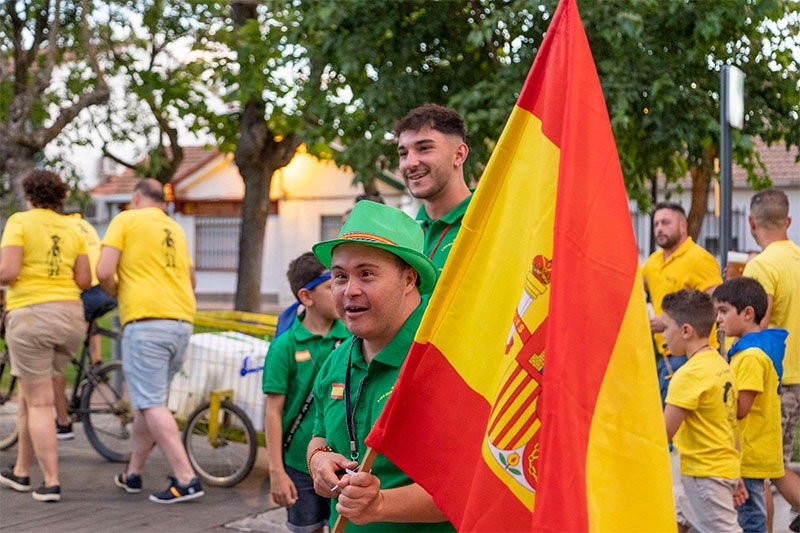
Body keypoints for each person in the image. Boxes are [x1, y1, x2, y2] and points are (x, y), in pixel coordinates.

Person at [306, 200, 452, 532]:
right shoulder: (336, 360)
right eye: (340, 276)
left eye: (366, 274)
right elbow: (319, 437)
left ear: (408, 279)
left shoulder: (447, 361)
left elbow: (469, 486)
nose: (349, 290)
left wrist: (381, 505)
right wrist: (318, 461)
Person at [96, 178, 202, 504]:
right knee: (148, 401)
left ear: (136, 197)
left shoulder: (126, 219)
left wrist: (114, 291)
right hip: (181, 321)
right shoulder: (176, 229)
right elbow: (191, 279)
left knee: (152, 404)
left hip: (146, 321)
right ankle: (134, 473)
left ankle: (186, 478)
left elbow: (103, 270)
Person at [0, 170, 91, 502]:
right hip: (70, 319)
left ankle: (51, 481)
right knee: (30, 396)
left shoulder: (20, 223)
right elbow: (84, 279)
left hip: (32, 316)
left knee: (39, 402)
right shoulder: (74, 228)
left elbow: (8, 271)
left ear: (29, 195)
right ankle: (22, 472)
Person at [263, 252, 350, 533]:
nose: (343, 291)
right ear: (306, 296)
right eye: (333, 284)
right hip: (299, 466)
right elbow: (273, 413)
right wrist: (276, 471)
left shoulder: (353, 338)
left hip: (343, 463)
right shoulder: (284, 347)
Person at [739, 188, 800, 527]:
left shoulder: (761, 265)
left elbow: (757, 325)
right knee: (776, 465)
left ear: (751, 223)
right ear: (788, 221)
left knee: (761, 469)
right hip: (797, 374)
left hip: (775, 380)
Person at [662, 289, 741, 533]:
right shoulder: (720, 364)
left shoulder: (688, 376)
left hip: (703, 474)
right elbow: (731, 423)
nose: (663, 337)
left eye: (666, 328)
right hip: (721, 468)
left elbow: (664, 433)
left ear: (686, 330)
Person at [713, 277, 787, 532]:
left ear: (747, 313)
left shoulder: (751, 356)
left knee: (751, 520)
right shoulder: (745, 350)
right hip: (749, 450)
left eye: (723, 311)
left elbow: (741, 408)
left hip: (750, 452)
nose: (718, 319)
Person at [642, 201, 722, 405]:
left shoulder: (700, 259)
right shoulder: (652, 262)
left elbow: (715, 306)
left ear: (683, 226)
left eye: (666, 222)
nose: (659, 228)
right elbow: (630, 291)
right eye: (656, 224)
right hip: (666, 357)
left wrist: (668, 323)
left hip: (694, 356)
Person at [52, 214, 117, 440]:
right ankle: (96, 366)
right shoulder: (85, 225)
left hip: (87, 290)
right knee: (91, 322)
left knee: (54, 357)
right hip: (106, 291)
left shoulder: (59, 227)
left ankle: (63, 423)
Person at [395, 104, 472, 272]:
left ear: (459, 155)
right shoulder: (402, 237)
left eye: (424, 149)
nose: (410, 163)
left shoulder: (488, 223)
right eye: (403, 154)